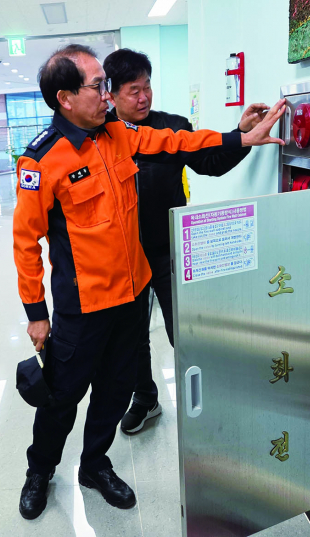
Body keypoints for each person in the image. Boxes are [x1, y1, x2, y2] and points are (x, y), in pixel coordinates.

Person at [12, 43, 285, 520]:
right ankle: (40, 470)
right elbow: (24, 241)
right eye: (98, 86)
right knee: (63, 394)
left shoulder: (119, 134)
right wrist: (36, 314)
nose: (107, 95)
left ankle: (94, 464)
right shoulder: (41, 161)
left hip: (133, 293)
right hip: (83, 304)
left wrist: (239, 138)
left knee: (116, 389)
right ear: (65, 98)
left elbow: (176, 142)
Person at [103, 48, 273, 434]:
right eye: (133, 90)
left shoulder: (172, 127)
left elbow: (210, 163)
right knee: (131, 337)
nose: (144, 97)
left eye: (147, 87)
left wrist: (242, 135)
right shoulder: (102, 136)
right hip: (123, 255)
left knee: (184, 331)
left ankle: (206, 401)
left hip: (169, 250)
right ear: (111, 95)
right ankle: (145, 399)